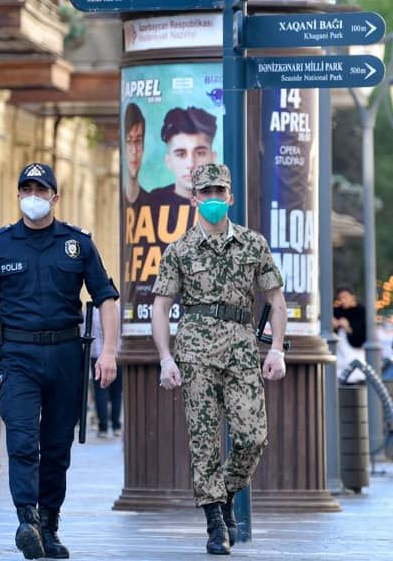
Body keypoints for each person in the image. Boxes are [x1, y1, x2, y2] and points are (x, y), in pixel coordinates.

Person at [0, 162, 120, 560]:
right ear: (18, 195)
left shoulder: (78, 243)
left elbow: (105, 297)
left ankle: (50, 524)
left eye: (41, 190)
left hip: (66, 355)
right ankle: (26, 519)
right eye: (26, 189)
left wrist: (108, 351)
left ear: (55, 197)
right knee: (21, 440)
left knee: (56, 447)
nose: (33, 197)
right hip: (18, 356)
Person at [151, 163, 287, 556]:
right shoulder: (179, 250)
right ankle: (214, 522)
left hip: (243, 350)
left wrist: (276, 348)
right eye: (205, 192)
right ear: (194, 198)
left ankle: (225, 495)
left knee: (252, 437)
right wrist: (165, 359)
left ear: (230, 197)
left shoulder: (252, 244)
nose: (213, 199)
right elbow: (161, 308)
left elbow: (276, 301)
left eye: (219, 192)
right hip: (195, 352)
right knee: (204, 441)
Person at [138, 106, 217, 207]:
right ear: (168, 161)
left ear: (213, 158)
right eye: (181, 154)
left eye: (200, 153)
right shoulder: (153, 203)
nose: (191, 164)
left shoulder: (226, 201)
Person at [84, 300, 122, 439]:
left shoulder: (90, 309)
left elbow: (84, 332)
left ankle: (103, 428)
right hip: (116, 355)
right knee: (117, 393)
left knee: (100, 392)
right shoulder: (118, 308)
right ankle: (117, 426)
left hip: (96, 356)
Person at [123, 102, 149, 205]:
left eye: (138, 141)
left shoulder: (152, 203)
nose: (134, 151)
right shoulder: (120, 198)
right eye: (129, 141)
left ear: (143, 146)